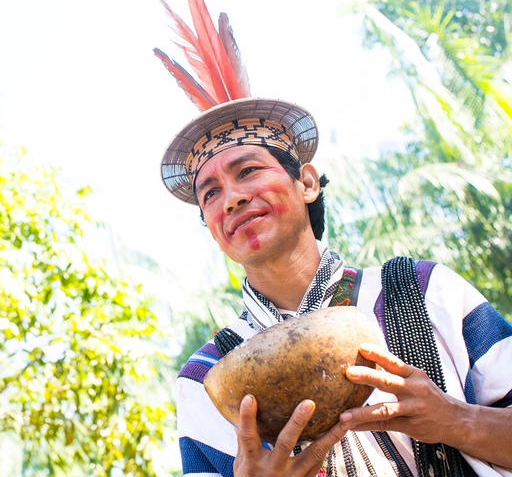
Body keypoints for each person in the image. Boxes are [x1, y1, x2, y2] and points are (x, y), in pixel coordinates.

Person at [160, 97, 512, 477]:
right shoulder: (203, 379)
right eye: (210, 193)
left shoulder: (426, 291)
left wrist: (457, 420)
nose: (232, 199)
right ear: (213, 229)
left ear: (307, 183)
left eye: (248, 170)